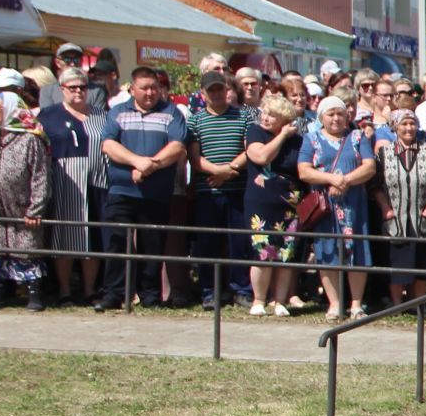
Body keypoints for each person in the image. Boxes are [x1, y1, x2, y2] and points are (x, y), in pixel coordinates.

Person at [98, 67, 187, 310]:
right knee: (117, 243)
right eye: (144, 88)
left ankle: (150, 296)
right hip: (122, 191)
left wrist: (150, 167)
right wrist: (138, 162)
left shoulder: (171, 113)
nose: (150, 93)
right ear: (132, 89)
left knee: (152, 244)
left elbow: (177, 147)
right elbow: (108, 145)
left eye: (154, 88)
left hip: (155, 193)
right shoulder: (117, 112)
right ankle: (113, 294)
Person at [0, 91, 50, 310]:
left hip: (21, 208)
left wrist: (36, 210)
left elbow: (40, 177)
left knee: (26, 249)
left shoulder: (30, 139)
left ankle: (34, 294)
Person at [299, 96, 378, 322]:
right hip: (326, 207)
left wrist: (346, 181)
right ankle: (334, 304)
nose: (335, 118)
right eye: (330, 114)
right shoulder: (311, 138)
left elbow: (369, 166)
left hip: (354, 205)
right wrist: (331, 180)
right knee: (328, 251)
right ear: (321, 117)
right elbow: (304, 170)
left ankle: (355, 304)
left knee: (358, 252)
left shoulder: (357, 137)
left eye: (340, 113)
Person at [37, 68, 104, 305]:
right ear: (62, 89)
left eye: (82, 87)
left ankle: (90, 290)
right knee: (64, 236)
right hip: (64, 180)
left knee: (92, 236)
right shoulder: (47, 115)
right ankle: (65, 290)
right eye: (72, 87)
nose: (78, 92)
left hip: (97, 180)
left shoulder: (101, 115)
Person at [188, 69, 253, 308]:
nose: (216, 93)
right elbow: (195, 159)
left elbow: (250, 150)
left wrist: (228, 170)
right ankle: (209, 291)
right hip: (208, 191)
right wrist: (217, 172)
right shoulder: (195, 119)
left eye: (220, 88)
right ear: (203, 93)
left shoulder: (244, 116)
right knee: (208, 243)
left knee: (240, 242)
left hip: (237, 190)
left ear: (227, 90)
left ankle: (242, 290)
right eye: (211, 89)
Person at [374, 107, 426, 306]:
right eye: (404, 124)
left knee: (422, 262)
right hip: (395, 217)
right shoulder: (384, 153)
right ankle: (397, 304)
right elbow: (376, 186)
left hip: (422, 216)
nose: (409, 128)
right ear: (395, 127)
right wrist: (385, 208)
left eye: (412, 123)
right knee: (397, 263)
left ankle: (418, 303)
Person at [244, 92, 306, 316]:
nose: (266, 117)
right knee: (263, 252)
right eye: (265, 112)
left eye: (272, 115)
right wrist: (281, 137)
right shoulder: (255, 131)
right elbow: (261, 158)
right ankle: (259, 300)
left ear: (285, 120)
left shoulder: (298, 141)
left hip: (290, 205)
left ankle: (280, 301)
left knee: (285, 253)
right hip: (261, 203)